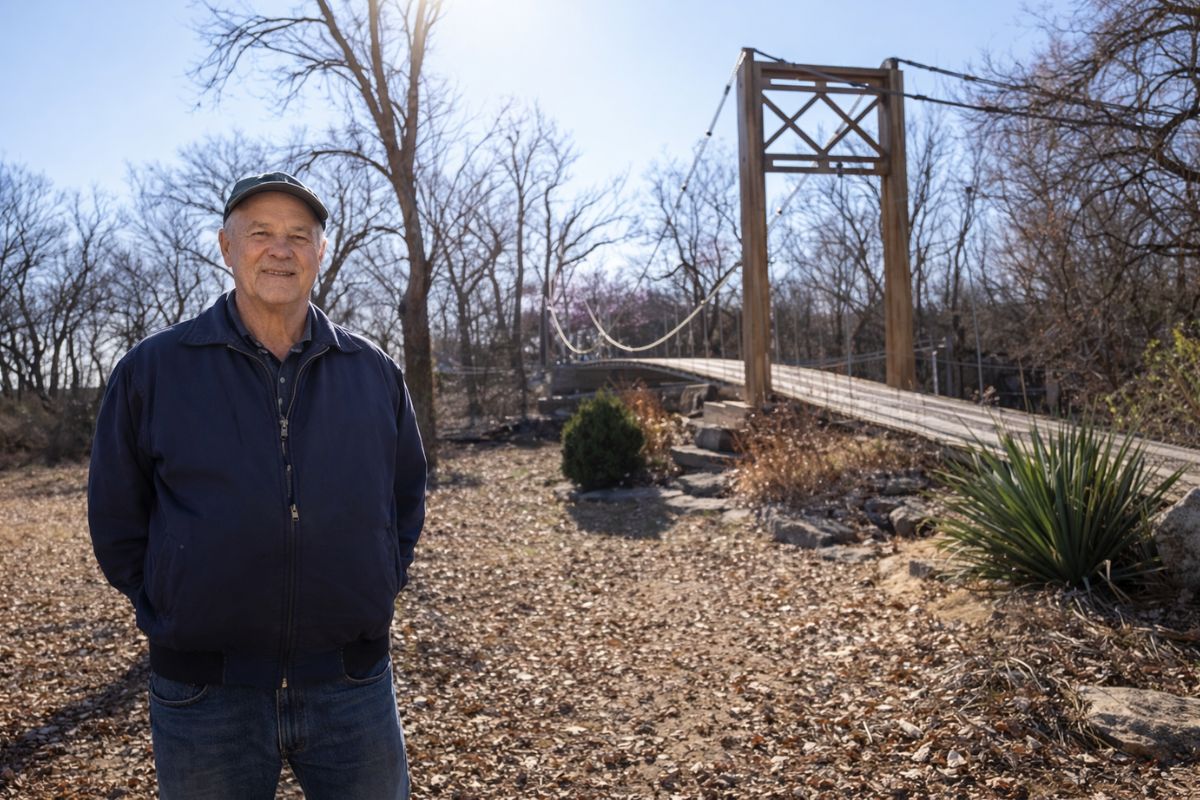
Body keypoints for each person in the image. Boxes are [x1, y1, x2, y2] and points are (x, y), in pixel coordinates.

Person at [87, 171, 426, 799]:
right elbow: (116, 517)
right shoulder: (153, 370)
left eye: (300, 235)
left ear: (320, 253)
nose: (281, 249)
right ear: (225, 246)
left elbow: (405, 499)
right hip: (205, 694)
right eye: (261, 233)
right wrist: (169, 604)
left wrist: (377, 580)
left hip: (351, 687)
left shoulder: (373, 372)